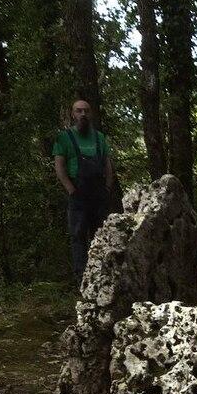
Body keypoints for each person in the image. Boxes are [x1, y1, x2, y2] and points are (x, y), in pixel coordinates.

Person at [53, 100, 115, 282]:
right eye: (79, 111)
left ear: (91, 114)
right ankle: (82, 278)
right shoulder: (64, 137)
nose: (83, 115)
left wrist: (108, 187)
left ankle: (104, 276)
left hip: (98, 193)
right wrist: (71, 190)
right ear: (73, 114)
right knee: (78, 235)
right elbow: (59, 166)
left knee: (101, 234)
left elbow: (107, 164)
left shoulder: (99, 137)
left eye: (86, 111)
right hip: (78, 193)